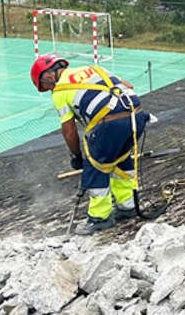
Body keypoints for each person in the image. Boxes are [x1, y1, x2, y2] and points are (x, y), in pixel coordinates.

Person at [30, 55, 149, 235]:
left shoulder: (60, 92)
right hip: (137, 115)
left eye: (45, 87)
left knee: (96, 165)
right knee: (121, 157)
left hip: (110, 122)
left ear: (49, 77)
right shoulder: (94, 69)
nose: (49, 91)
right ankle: (127, 206)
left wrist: (76, 156)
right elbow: (128, 86)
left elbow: (69, 131)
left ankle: (99, 218)